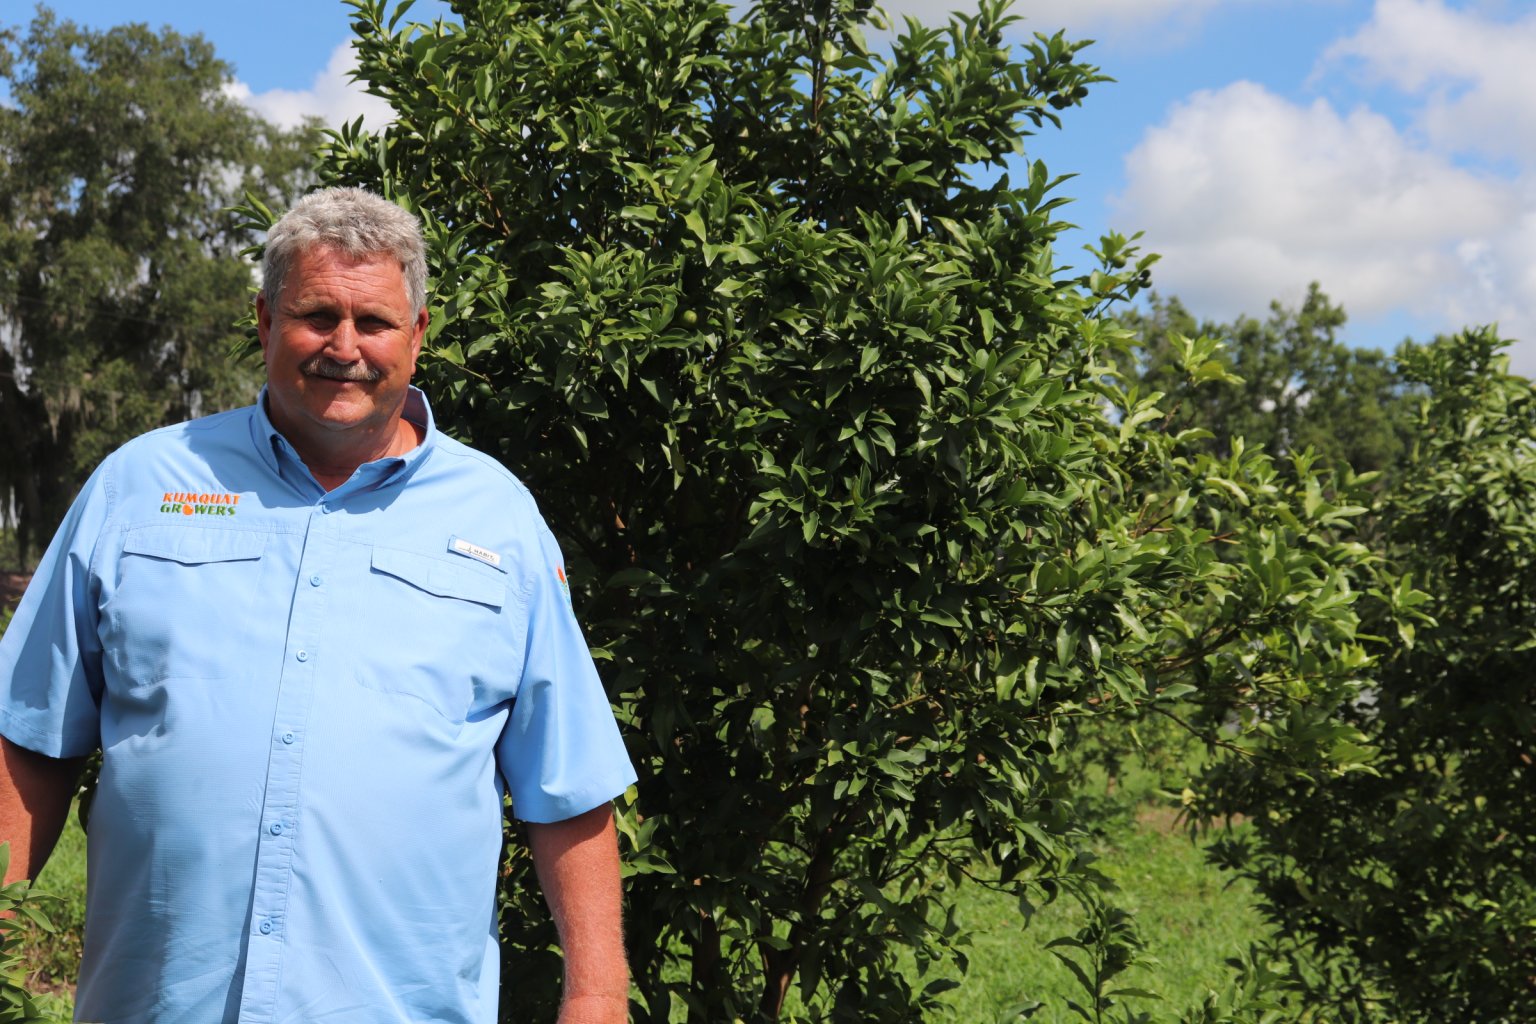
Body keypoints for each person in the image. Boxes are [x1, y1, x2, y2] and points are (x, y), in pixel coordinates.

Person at [0, 187, 636, 1024]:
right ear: (264, 320)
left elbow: (568, 780)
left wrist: (596, 994)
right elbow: (32, 737)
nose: (345, 347)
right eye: (315, 315)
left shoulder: (500, 519)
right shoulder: (140, 486)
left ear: (418, 335)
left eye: (373, 321)